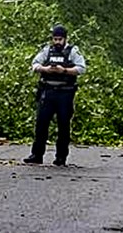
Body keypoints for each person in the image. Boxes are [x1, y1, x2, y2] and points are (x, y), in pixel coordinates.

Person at [23, 25, 87, 166]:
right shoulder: (47, 50)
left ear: (65, 39)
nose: (57, 42)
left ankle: (61, 157)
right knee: (41, 124)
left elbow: (81, 68)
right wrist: (45, 69)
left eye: (60, 39)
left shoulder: (73, 51)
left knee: (63, 126)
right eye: (55, 39)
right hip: (48, 92)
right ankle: (37, 155)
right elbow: (34, 64)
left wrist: (64, 70)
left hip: (65, 93)